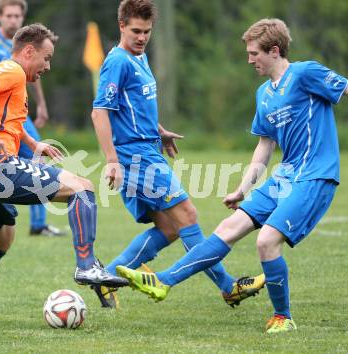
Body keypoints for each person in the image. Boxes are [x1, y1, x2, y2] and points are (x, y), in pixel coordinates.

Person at [116, 18, 348, 333]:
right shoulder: (264, 93)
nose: (250, 59)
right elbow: (264, 146)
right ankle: (162, 281)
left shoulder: (305, 73)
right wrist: (243, 188)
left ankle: (283, 317)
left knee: (266, 241)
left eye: (255, 53)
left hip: (315, 176)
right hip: (286, 176)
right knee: (227, 228)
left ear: (275, 50)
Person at [0, 23, 128, 323]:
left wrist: (32, 143)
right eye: (46, 57)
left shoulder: (15, 83)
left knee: (2, 240)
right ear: (28, 51)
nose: (48, 65)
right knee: (81, 186)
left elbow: (7, 118)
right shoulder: (14, 70)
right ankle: (86, 265)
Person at [90, 0, 264, 309]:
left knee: (170, 228)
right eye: (135, 31)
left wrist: (159, 131)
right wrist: (113, 161)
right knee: (188, 216)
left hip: (146, 148)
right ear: (121, 26)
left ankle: (104, 279)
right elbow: (100, 113)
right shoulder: (117, 61)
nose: (142, 37)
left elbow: (133, 109)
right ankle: (228, 287)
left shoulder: (139, 57)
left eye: (147, 31)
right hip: (136, 157)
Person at [0, 0, 64, 240]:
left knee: (36, 156)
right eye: (8, 15)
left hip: (18, 114)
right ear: (0, 17)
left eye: (17, 16)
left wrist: (40, 103)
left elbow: (32, 75)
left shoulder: (27, 47)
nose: (13, 20)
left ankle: (39, 224)